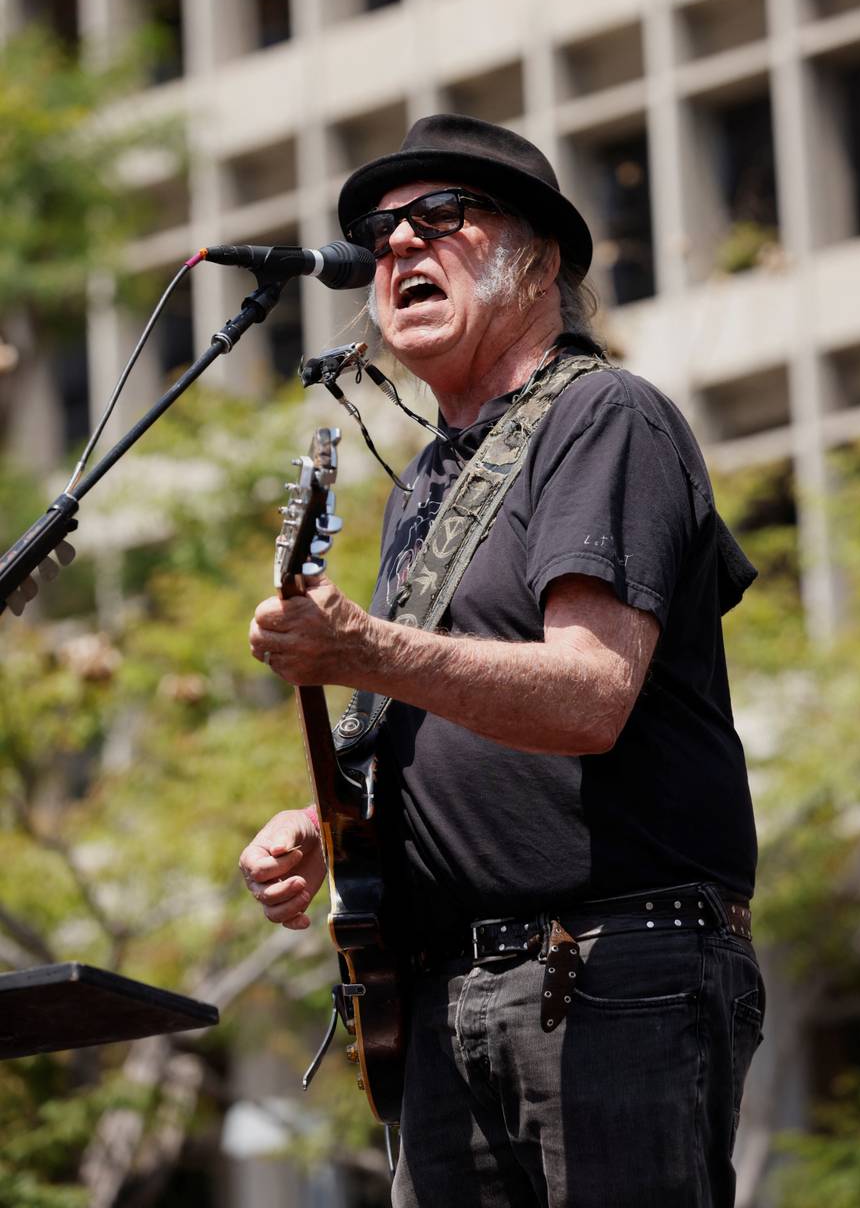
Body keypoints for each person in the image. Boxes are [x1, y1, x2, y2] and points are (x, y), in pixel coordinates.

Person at [239, 114, 763, 1207]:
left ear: (543, 259)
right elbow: (428, 706)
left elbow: (587, 694)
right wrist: (325, 816)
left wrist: (364, 648)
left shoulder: (602, 416)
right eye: (379, 231)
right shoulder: (424, 485)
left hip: (610, 969)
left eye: (441, 217)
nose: (396, 247)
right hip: (442, 996)